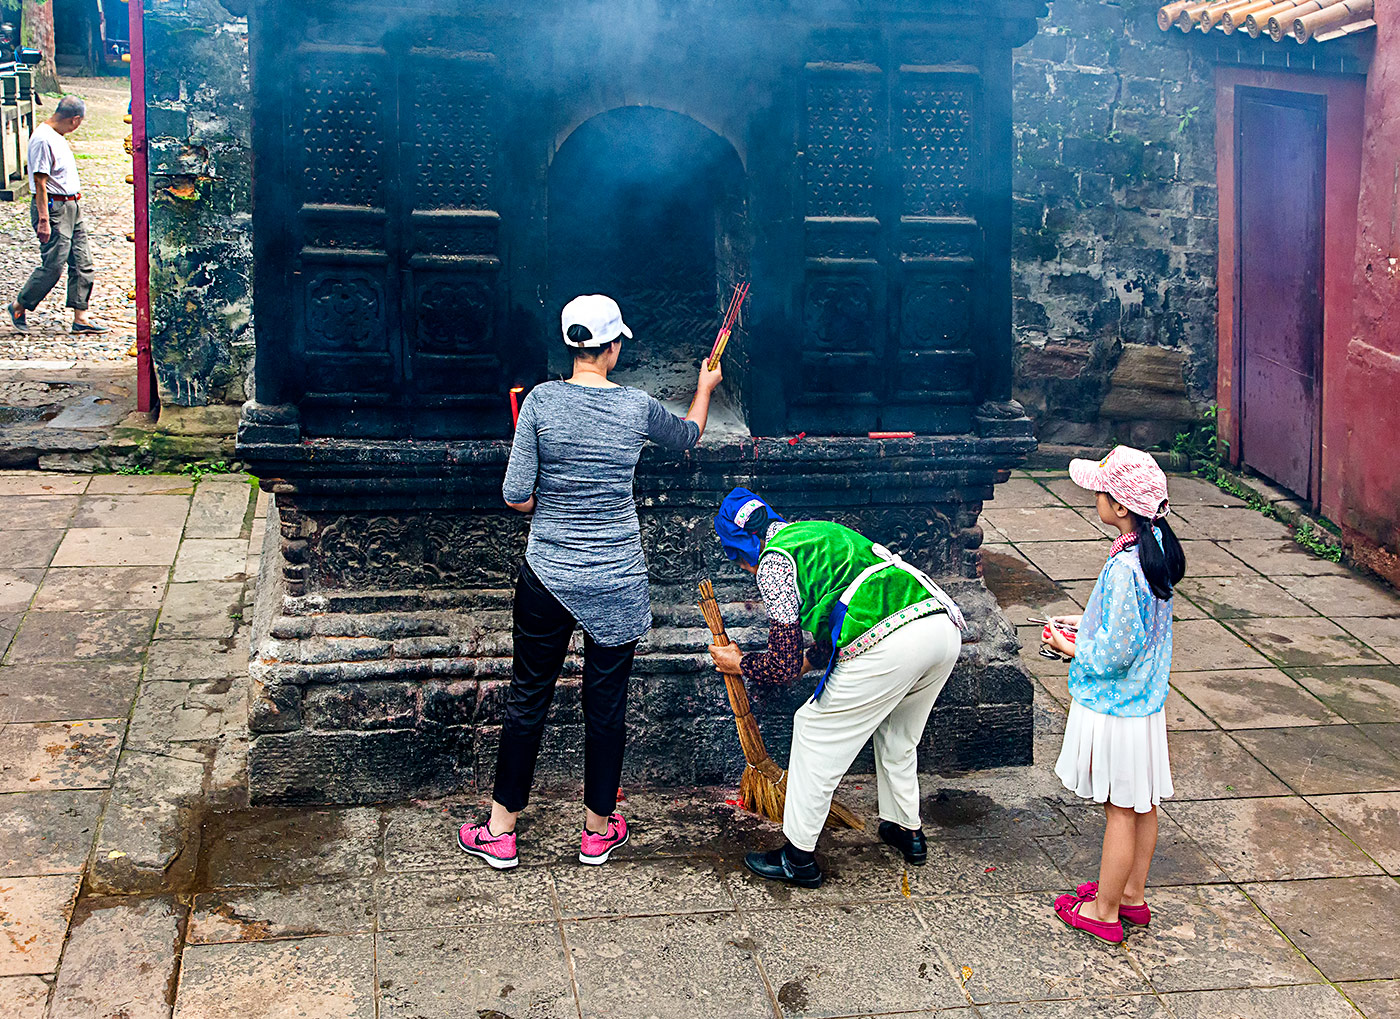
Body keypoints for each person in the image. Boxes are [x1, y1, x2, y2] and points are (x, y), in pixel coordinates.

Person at [457, 294, 724, 869]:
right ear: (612, 348)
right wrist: (705, 386)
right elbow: (688, 437)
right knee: (606, 708)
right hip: (616, 578)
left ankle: (501, 831)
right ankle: (598, 832)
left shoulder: (539, 404)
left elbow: (516, 496)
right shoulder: (635, 407)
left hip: (548, 573)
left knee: (529, 697)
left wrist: (546, 503)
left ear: (572, 346)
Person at [708, 489, 965, 888]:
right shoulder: (816, 531)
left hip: (892, 639)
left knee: (813, 728)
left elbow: (782, 664)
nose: (742, 567)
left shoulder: (774, 563)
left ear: (743, 545)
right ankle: (905, 830)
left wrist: (737, 663)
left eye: (735, 556)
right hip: (940, 625)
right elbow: (839, 619)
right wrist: (802, 664)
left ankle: (797, 858)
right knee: (898, 734)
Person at [1045, 446, 1185, 944]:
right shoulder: (1158, 546)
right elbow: (1134, 629)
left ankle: (1103, 912)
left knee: (1120, 810)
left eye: (1099, 494)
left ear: (1120, 507)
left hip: (1117, 705)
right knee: (1142, 802)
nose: (1094, 501)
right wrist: (1085, 626)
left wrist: (1069, 645)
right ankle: (1131, 895)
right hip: (1145, 701)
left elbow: (1113, 653)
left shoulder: (1126, 567)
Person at [8, 95, 109, 336]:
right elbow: (40, 182)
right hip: (54, 208)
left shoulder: (57, 136)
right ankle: (19, 305)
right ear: (75, 119)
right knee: (53, 265)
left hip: (72, 206)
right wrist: (44, 220)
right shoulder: (43, 139)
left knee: (82, 261)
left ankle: (80, 316)